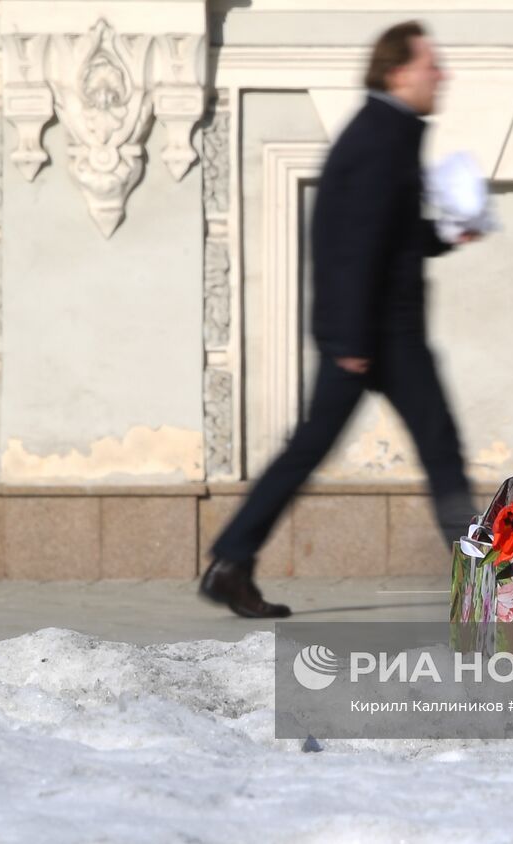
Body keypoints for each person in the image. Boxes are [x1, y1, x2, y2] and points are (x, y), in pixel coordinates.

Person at [201, 21, 477, 618]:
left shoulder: (390, 131)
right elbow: (346, 242)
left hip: (379, 331)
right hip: (376, 335)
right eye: (432, 64)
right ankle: (490, 585)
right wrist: (350, 339)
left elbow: (390, 236)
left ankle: (231, 562)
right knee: (436, 449)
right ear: (398, 70)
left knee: (331, 448)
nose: (442, 74)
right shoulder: (381, 135)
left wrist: (450, 232)